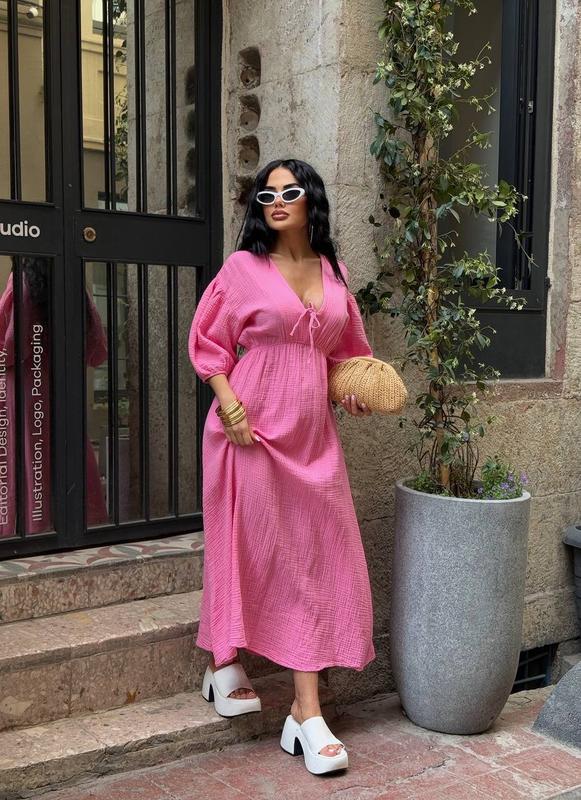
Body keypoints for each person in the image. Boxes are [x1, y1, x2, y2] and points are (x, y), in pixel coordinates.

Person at [188, 158, 376, 775]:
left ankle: (303, 712)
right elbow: (209, 343)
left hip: (313, 439)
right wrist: (229, 404)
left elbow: (346, 356)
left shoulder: (334, 272)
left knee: (312, 563)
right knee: (243, 543)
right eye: (266, 195)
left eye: (289, 191)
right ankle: (225, 662)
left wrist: (354, 391)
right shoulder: (243, 269)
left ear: (310, 199)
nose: (276, 202)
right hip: (248, 430)